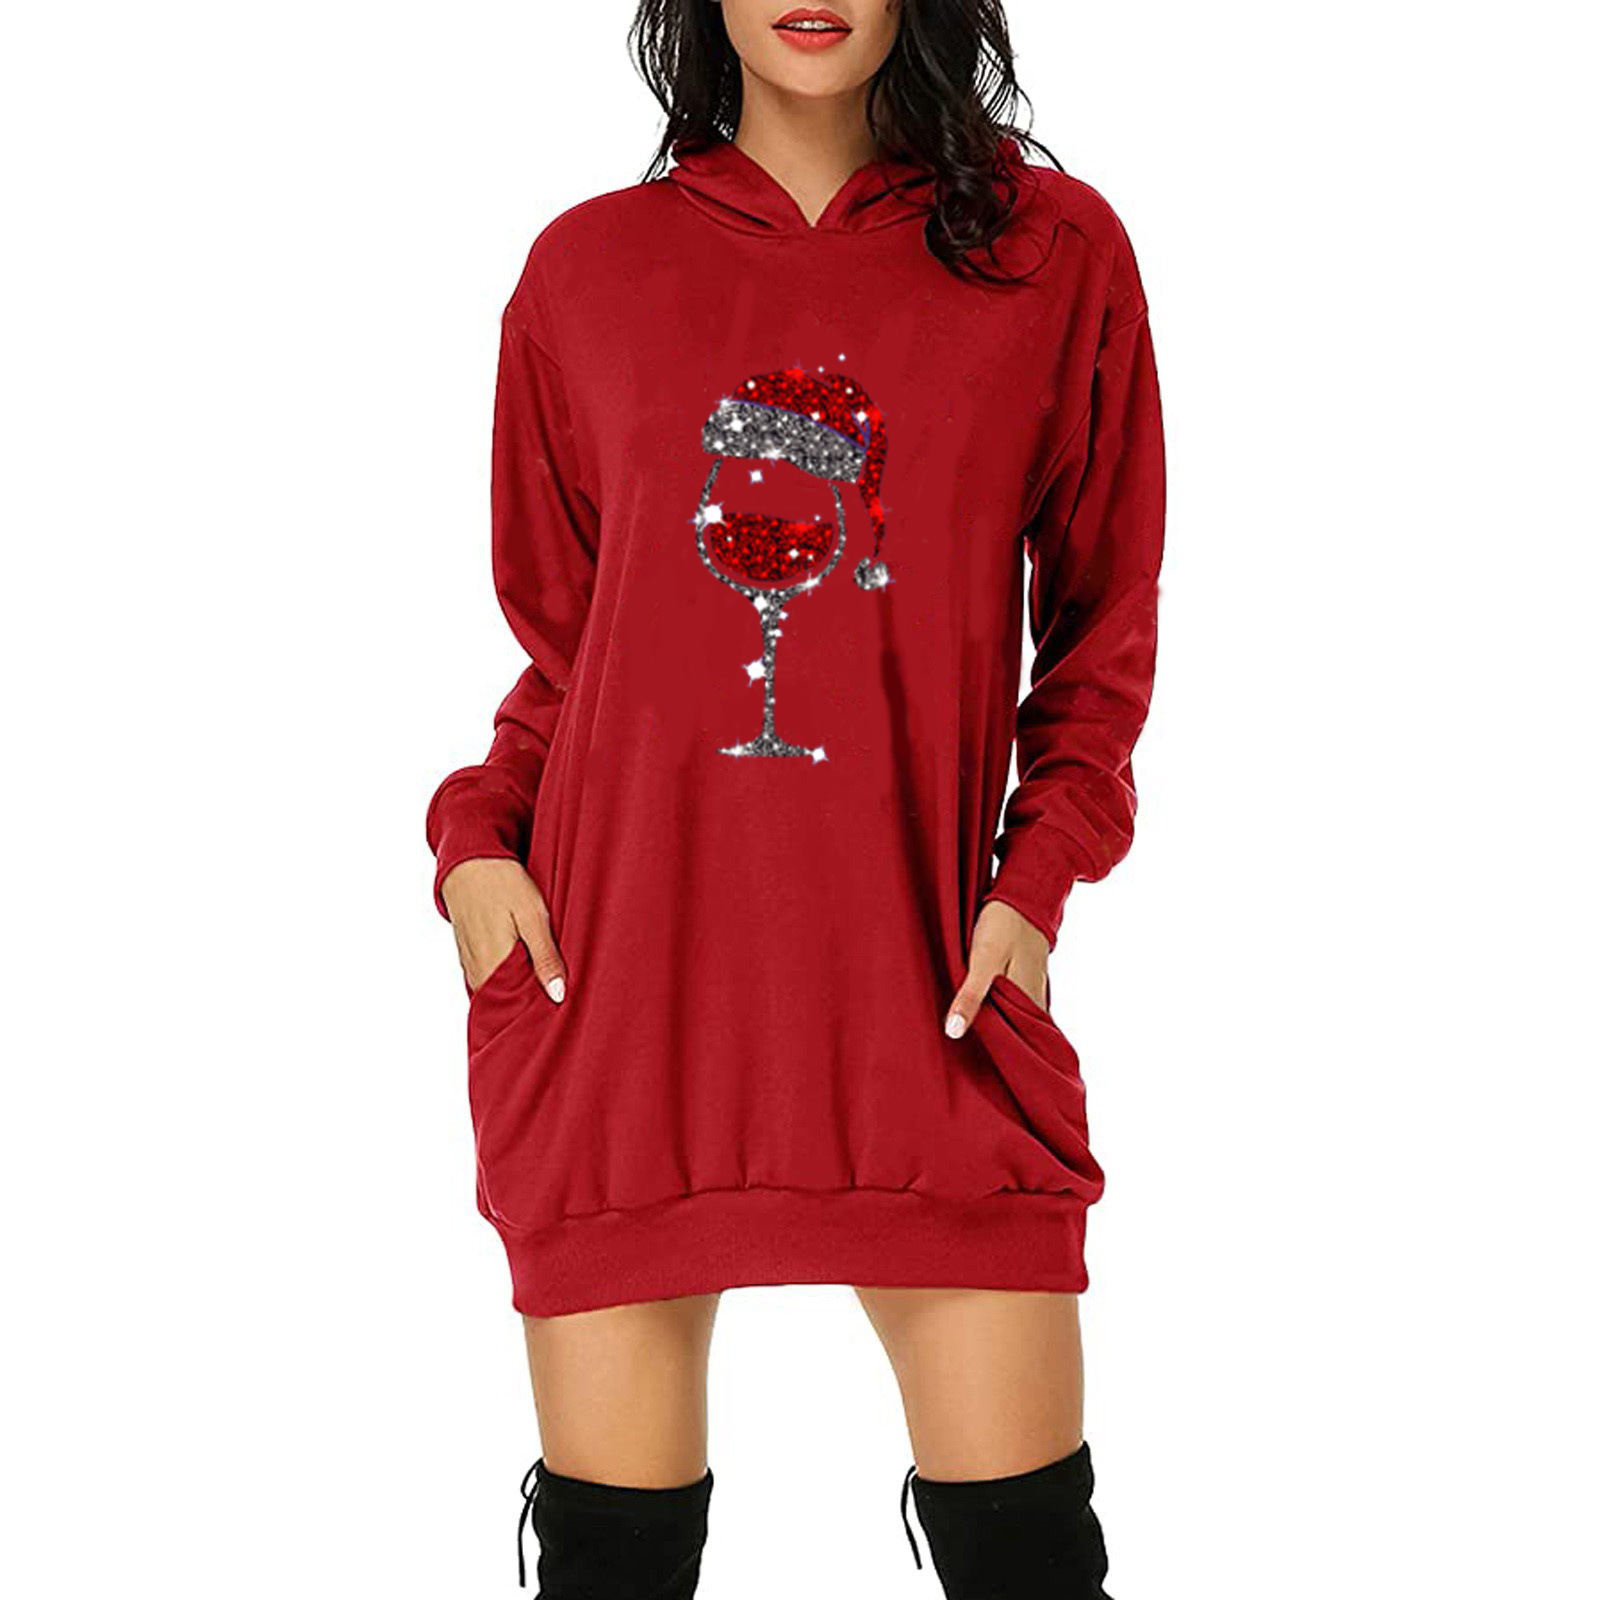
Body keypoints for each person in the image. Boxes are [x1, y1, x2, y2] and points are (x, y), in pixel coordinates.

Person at [424, 1, 1165, 1593]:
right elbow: (577, 656)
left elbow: (1101, 635)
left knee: (1028, 1560)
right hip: (620, 1009)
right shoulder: (583, 273)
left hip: (931, 1013)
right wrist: (476, 846)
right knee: (614, 1572)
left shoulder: (1052, 256)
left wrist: (1034, 889)